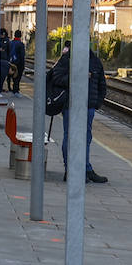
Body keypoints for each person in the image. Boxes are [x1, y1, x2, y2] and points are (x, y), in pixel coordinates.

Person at [50, 44, 108, 183]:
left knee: (86, 138)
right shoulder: (67, 59)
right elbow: (56, 78)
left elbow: (102, 83)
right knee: (70, 137)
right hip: (71, 104)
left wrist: (96, 103)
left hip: (88, 106)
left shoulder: (95, 60)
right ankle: (70, 169)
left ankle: (86, 169)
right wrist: (78, 77)